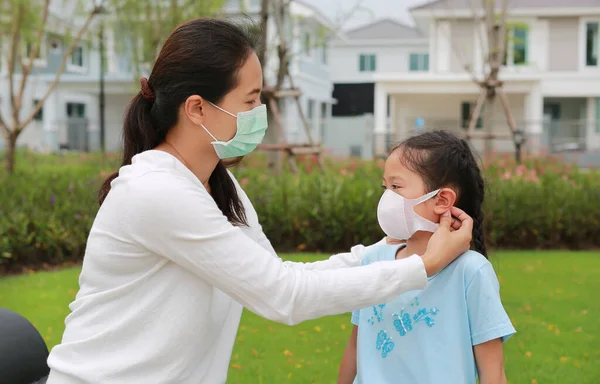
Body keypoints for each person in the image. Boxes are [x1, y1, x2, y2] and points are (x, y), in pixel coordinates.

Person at [46, 19, 473, 384]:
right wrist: (424, 266)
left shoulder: (217, 184)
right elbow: (283, 296)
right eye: (250, 100)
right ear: (197, 108)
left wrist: (398, 251)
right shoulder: (157, 192)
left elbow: (281, 274)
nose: (260, 111)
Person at [337, 130, 516, 384]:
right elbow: (356, 346)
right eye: (385, 187)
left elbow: (493, 371)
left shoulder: (471, 272)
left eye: (396, 186)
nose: (386, 197)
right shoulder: (373, 260)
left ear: (442, 200)